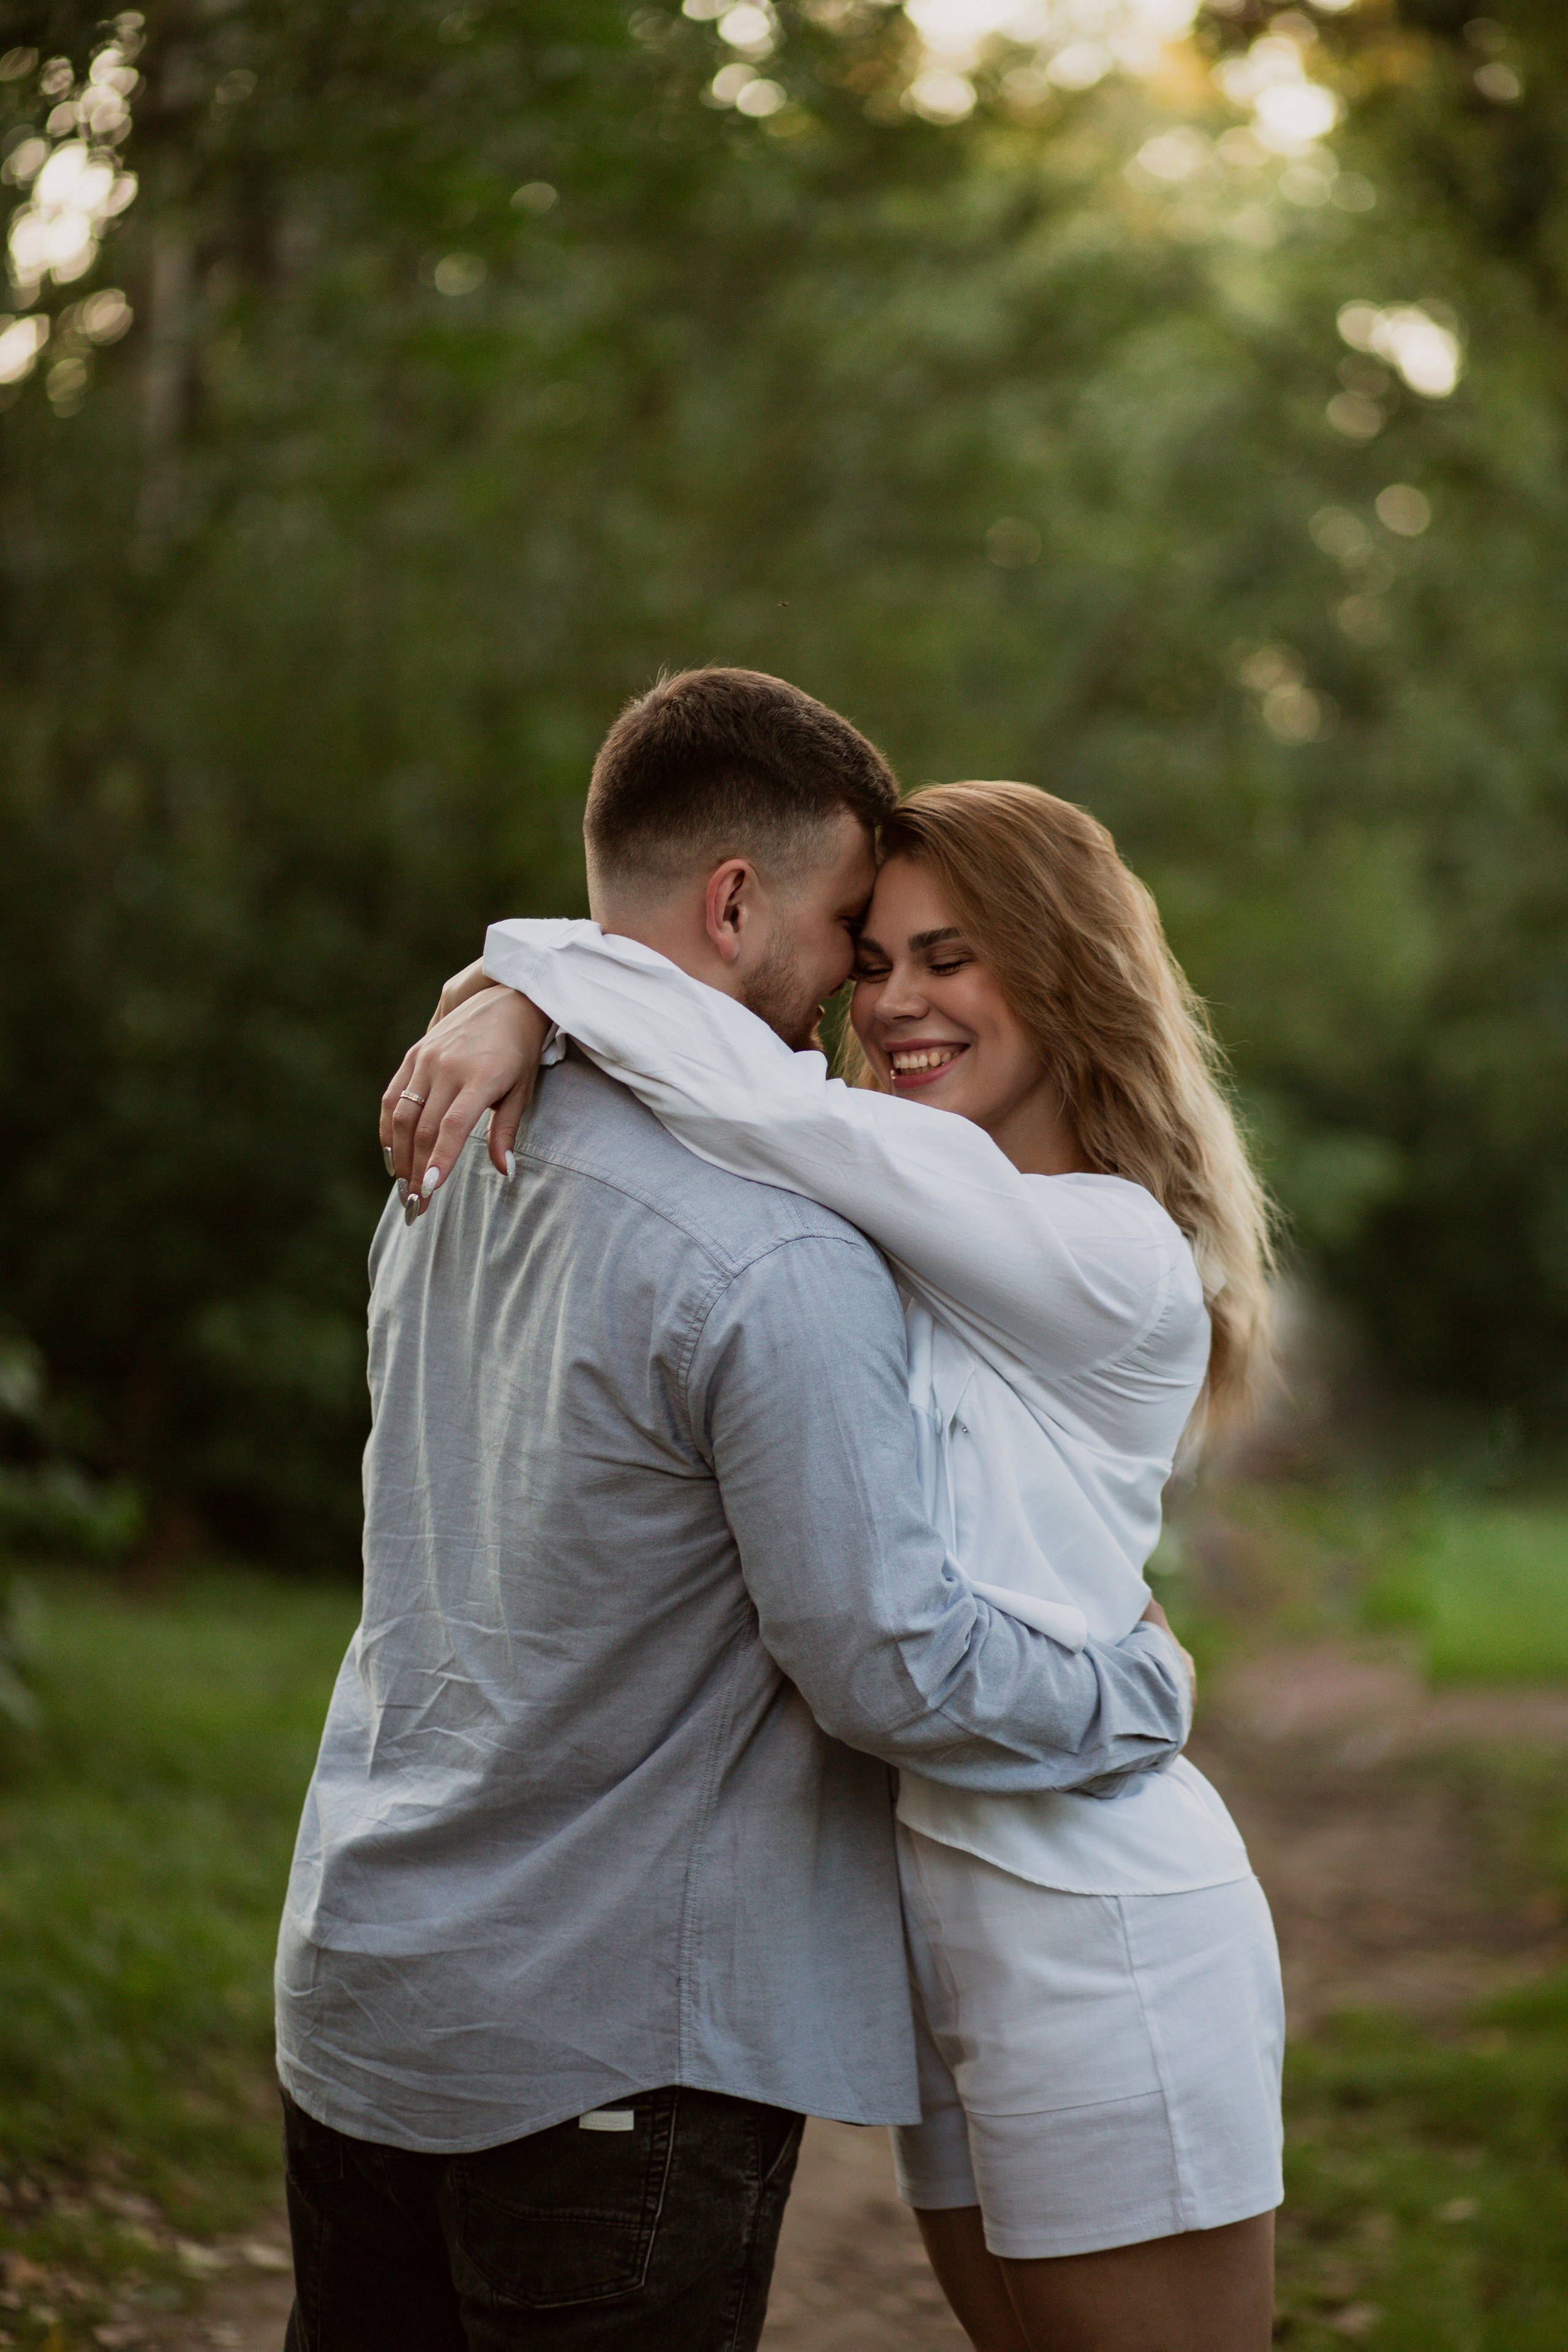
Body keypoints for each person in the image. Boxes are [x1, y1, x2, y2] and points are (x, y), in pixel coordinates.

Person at [279, 669, 1193, 2352]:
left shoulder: (446, 1156)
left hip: (367, 1986)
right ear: (732, 904)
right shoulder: (779, 1253)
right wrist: (1138, 1683)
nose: (861, 981)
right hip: (612, 2037)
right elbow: (886, 1663)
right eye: (859, 929)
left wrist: (513, 993)